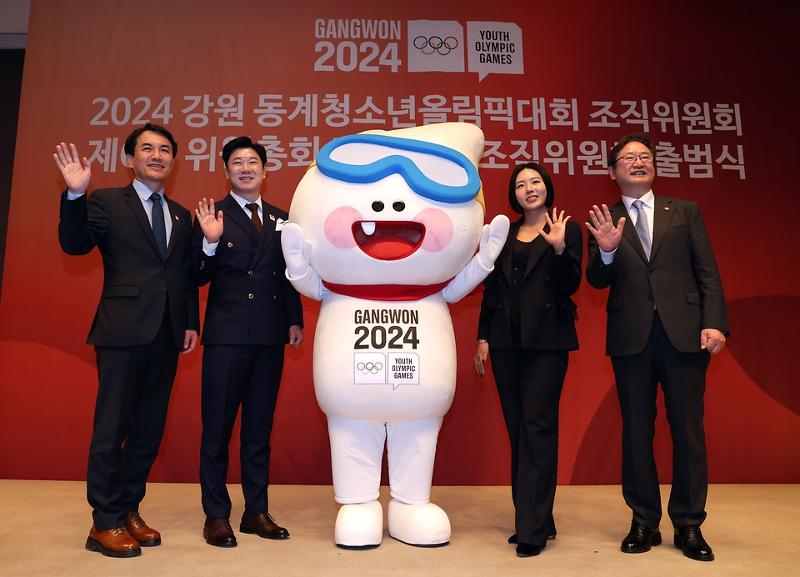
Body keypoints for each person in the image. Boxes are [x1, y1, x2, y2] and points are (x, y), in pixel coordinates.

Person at [55, 123, 199, 558]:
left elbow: (184, 275)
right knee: (112, 428)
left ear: (173, 161)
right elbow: (74, 243)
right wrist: (76, 195)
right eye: (148, 149)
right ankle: (104, 521)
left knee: (147, 430)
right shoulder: (105, 202)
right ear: (129, 159)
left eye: (165, 151)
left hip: (168, 332)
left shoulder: (180, 215)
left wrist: (190, 321)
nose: (157, 156)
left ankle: (129, 508)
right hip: (122, 331)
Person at [585, 133, 729, 562]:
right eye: (628, 158)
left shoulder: (683, 211)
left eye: (644, 156)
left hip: (684, 334)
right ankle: (643, 520)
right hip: (632, 338)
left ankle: (688, 523)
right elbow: (595, 280)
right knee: (636, 430)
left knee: (688, 431)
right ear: (612, 173)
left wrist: (715, 322)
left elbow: (708, 270)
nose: (637, 162)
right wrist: (607, 251)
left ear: (654, 166)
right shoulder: (604, 217)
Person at [192, 136, 303, 548]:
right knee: (217, 432)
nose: (245, 168)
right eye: (237, 162)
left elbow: (288, 274)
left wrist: (294, 319)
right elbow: (197, 274)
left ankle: (256, 511)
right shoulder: (211, 215)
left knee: (258, 431)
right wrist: (209, 241)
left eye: (252, 162)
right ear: (226, 171)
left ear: (265, 170)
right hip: (227, 337)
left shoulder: (281, 218)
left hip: (269, 338)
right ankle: (216, 515)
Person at [474, 162, 582, 557]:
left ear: (547, 187)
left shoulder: (566, 228)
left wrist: (557, 249)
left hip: (546, 345)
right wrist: (483, 336)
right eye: (520, 185)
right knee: (518, 430)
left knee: (538, 428)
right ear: (514, 195)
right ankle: (537, 516)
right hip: (505, 343)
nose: (529, 189)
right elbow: (491, 289)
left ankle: (531, 529)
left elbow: (572, 284)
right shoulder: (504, 234)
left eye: (535, 181)